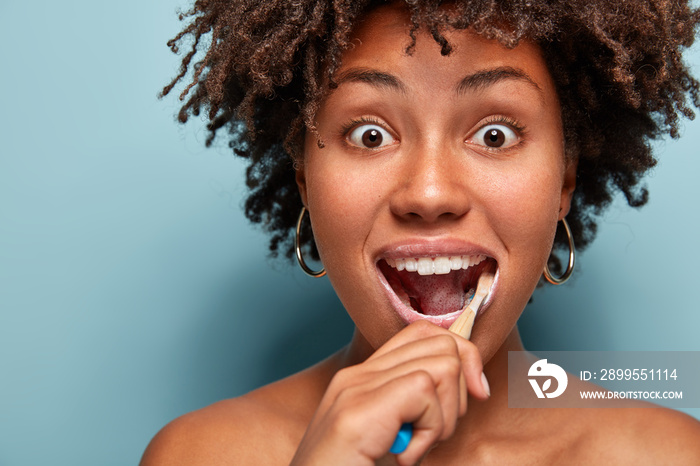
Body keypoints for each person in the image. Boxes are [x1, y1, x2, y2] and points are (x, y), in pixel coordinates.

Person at [141, 1, 700, 464]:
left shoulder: (669, 455)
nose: (429, 195)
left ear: (565, 181)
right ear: (305, 179)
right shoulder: (199, 454)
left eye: (496, 135)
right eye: (369, 135)